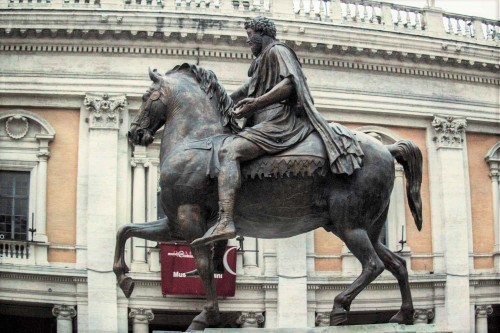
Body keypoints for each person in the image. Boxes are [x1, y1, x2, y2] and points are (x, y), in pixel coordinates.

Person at [191, 16, 363, 247]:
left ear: (263, 34)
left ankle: (226, 220)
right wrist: (221, 102)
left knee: (229, 152)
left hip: (280, 122)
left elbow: (289, 85)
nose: (248, 41)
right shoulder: (262, 60)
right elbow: (247, 88)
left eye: (250, 35)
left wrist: (255, 104)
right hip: (265, 121)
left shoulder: (278, 51)